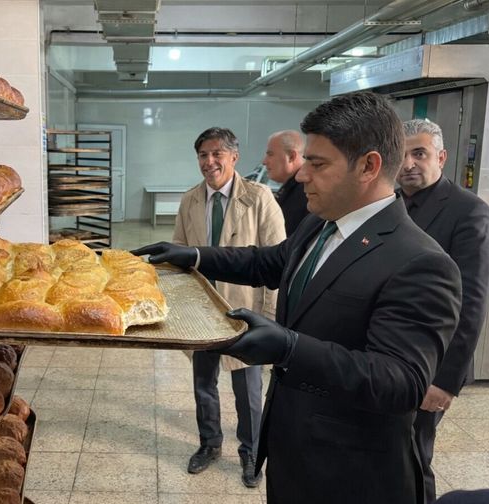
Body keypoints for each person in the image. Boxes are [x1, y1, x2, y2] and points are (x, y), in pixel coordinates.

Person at [132, 91, 463, 504]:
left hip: (353, 472)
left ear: (368, 165)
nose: (302, 174)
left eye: (318, 163)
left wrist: (290, 348)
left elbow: (400, 382)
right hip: (295, 449)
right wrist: (196, 255)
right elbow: (268, 262)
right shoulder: (319, 226)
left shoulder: (420, 262)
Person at [175, 127, 285, 487]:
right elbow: (178, 258)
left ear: (234, 157)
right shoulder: (190, 200)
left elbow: (275, 261)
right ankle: (209, 444)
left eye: (217, 154)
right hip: (201, 313)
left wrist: (269, 320)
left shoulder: (259, 198)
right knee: (203, 384)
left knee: (248, 390)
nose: (209, 162)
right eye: (203, 156)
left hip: (244, 311)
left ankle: (251, 453)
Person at [398, 119, 489, 503]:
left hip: (432, 365)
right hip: (393, 356)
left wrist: (445, 380)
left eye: (419, 153)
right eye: (403, 154)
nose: (409, 163)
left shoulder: (468, 212)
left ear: (441, 157)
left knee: (413, 453)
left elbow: (472, 302)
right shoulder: (392, 203)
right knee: (391, 450)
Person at [262, 130, 310, 236]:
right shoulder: (294, 189)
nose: (264, 161)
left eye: (270, 154)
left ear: (291, 157)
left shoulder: (305, 193)